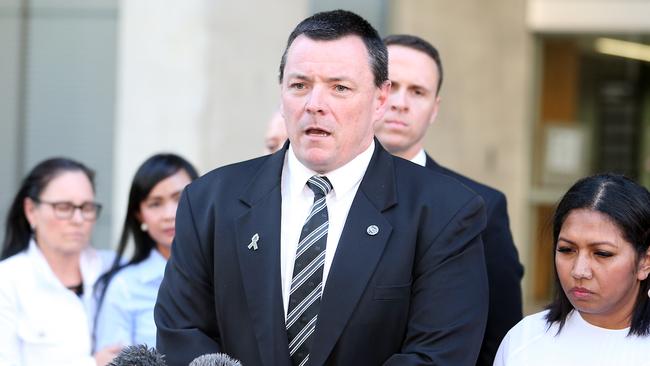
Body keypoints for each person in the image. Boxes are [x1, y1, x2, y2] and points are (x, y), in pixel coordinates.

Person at [155, 10, 489, 366]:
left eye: (339, 88)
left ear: (380, 99)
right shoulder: (210, 201)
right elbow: (182, 334)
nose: (314, 105)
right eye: (299, 86)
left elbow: (436, 355)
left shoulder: (444, 212)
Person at [374, 34, 524, 366]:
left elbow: (500, 337)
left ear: (434, 109)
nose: (400, 102)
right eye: (389, 86)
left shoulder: (479, 205)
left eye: (417, 91)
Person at [494, 173, 650, 365]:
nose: (579, 270)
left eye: (602, 253)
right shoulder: (523, 340)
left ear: (645, 261)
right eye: (567, 250)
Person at [0, 157, 119, 366]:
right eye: (63, 207)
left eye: (87, 207)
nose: (78, 219)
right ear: (31, 211)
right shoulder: (8, 281)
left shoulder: (115, 269)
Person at [94, 154, 198, 349]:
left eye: (180, 198)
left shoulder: (226, 272)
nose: (169, 214)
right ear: (139, 215)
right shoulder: (124, 286)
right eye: (155, 204)